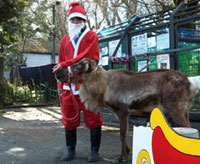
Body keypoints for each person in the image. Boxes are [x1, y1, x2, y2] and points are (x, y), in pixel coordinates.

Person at [52, 1, 103, 162]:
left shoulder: (91, 36)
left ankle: (94, 152)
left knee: (93, 117)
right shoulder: (64, 40)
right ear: (69, 21)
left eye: (78, 19)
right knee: (68, 119)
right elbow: (59, 64)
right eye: (73, 19)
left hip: (88, 85)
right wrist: (60, 86)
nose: (75, 22)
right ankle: (70, 150)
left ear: (84, 20)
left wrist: (66, 64)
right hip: (69, 87)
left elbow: (88, 57)